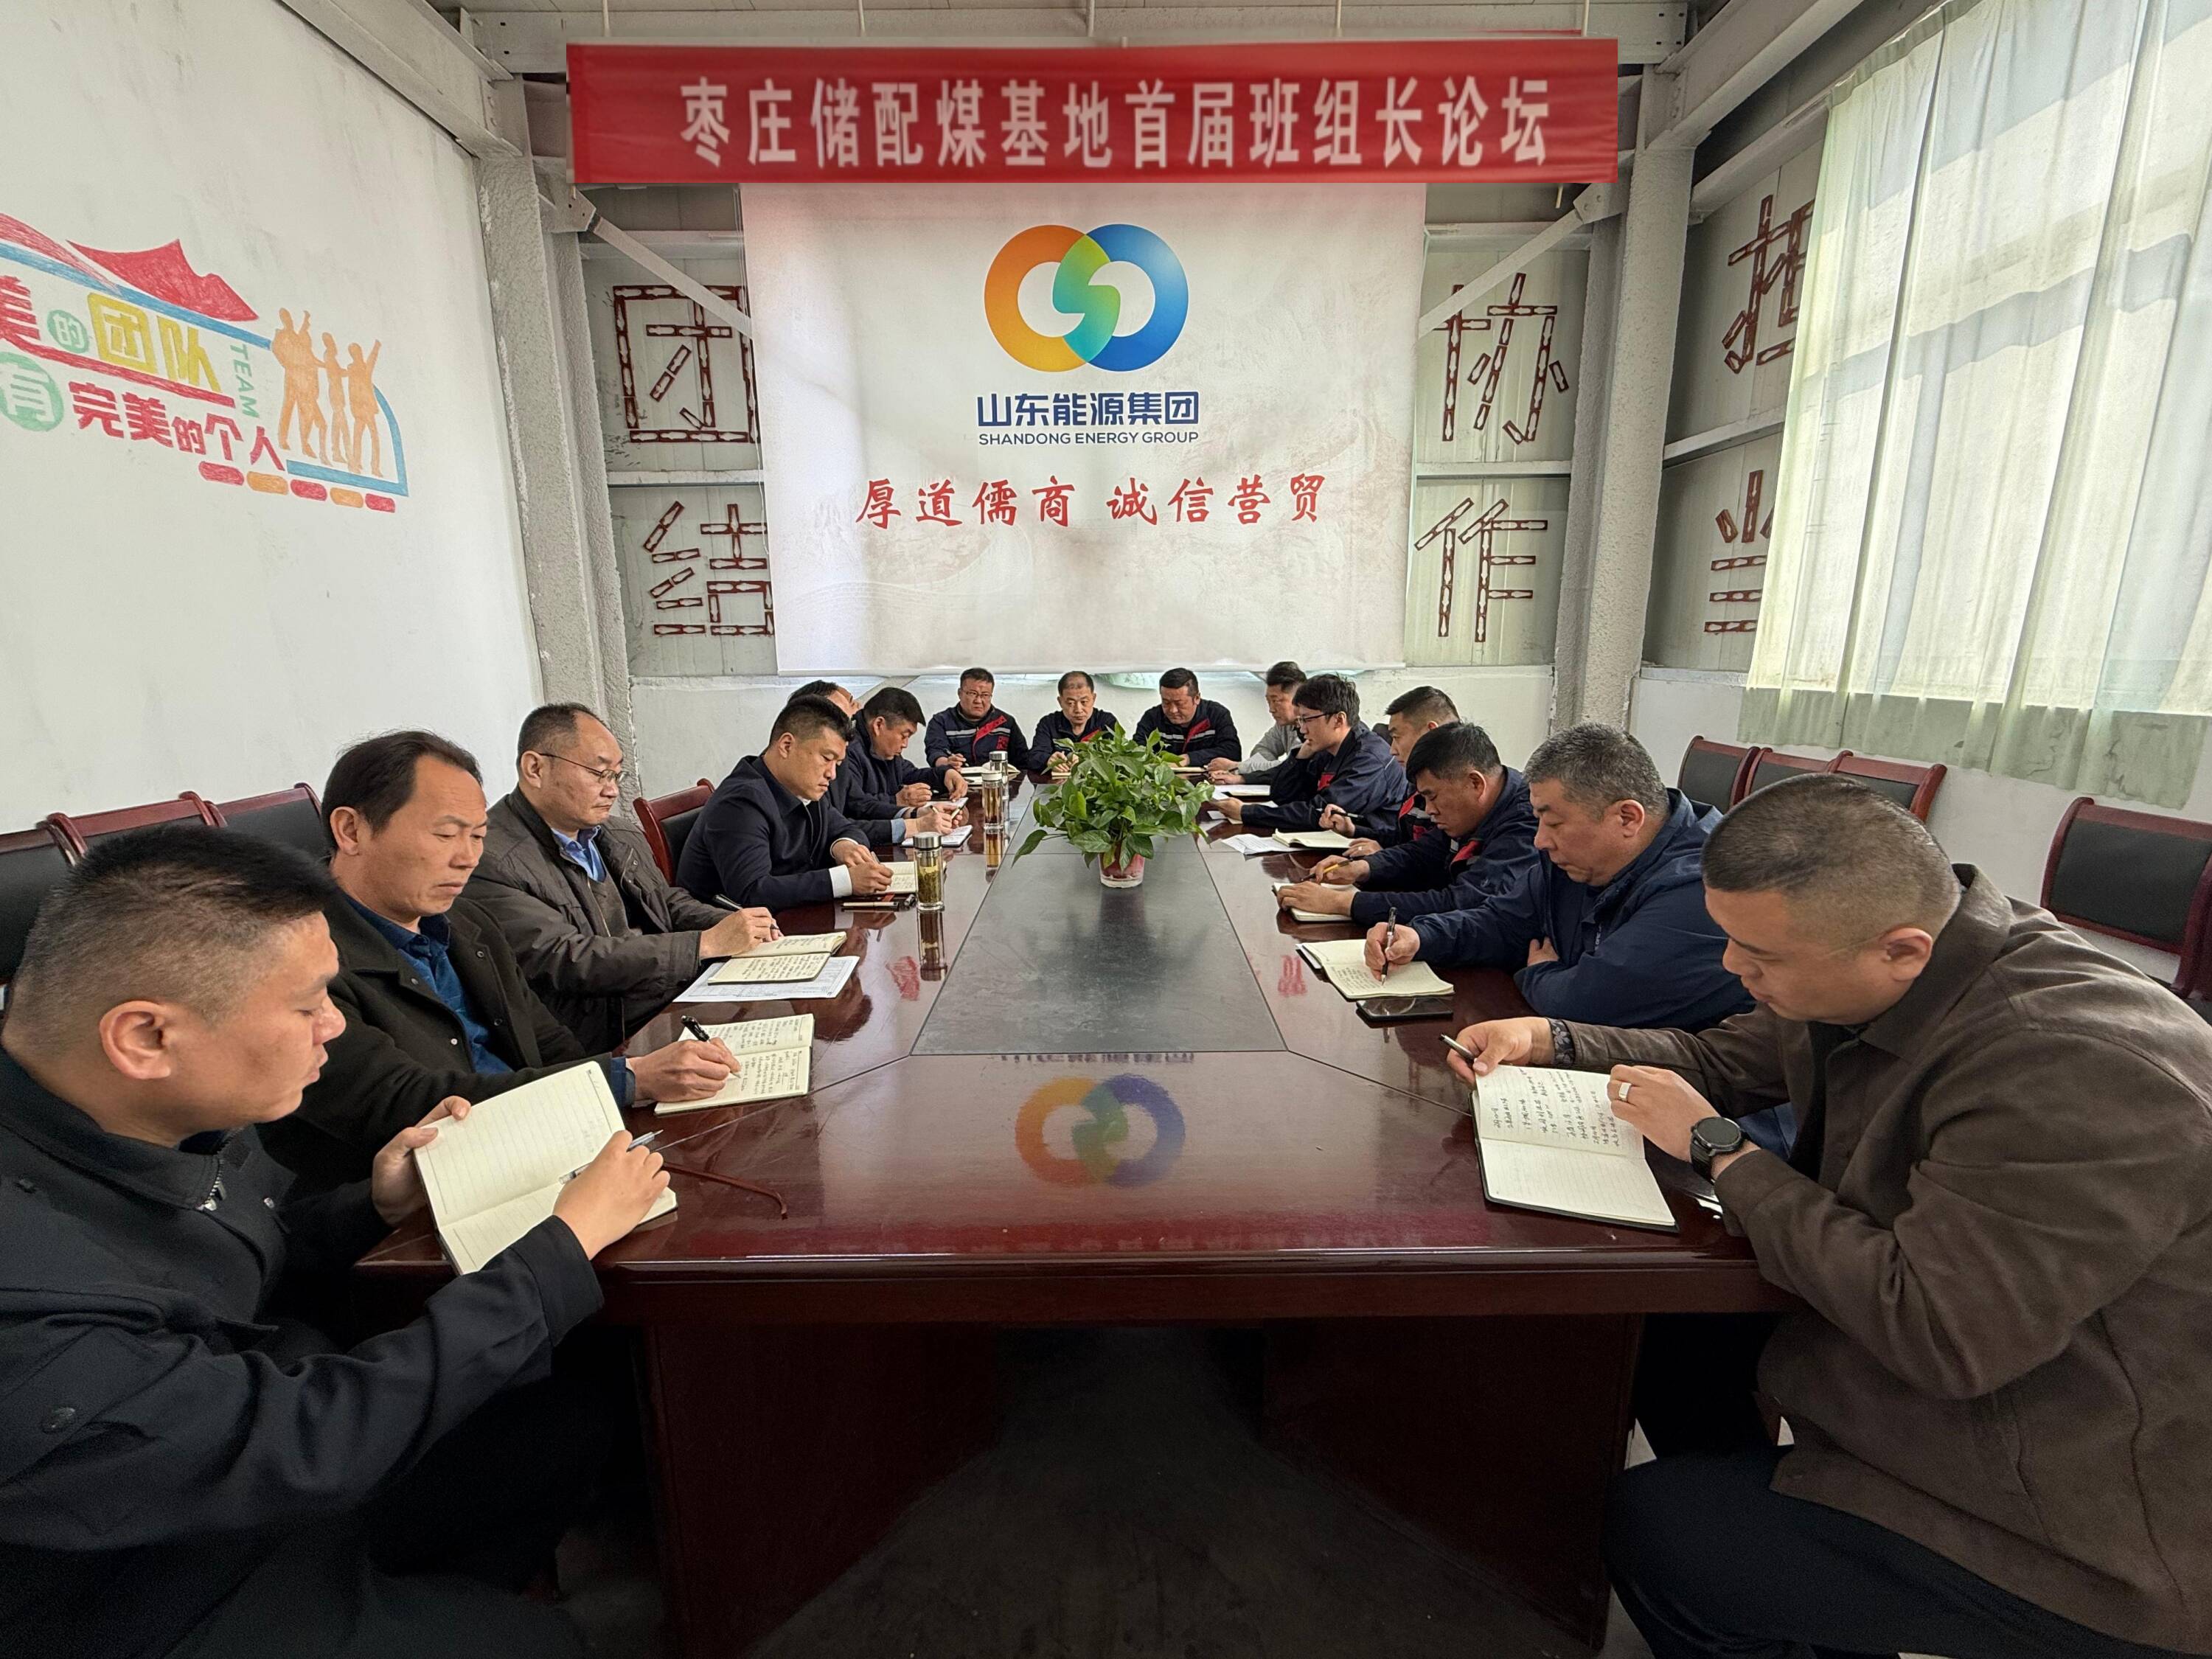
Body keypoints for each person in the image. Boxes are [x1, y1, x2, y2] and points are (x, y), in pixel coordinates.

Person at [1444, 776, 2212, 1659]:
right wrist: (1553, 1039)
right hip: (1955, 1385)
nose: (1733, 971)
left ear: (1902, 950)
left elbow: (1940, 1332)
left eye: (1759, 957)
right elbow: (1720, 1059)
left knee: (1665, 1532)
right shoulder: (1898, 961)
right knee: (1667, 1337)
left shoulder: (2076, 1068)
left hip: (2086, 1512)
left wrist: (1723, 1153)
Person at [0, 827, 670, 1659]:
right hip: (156, 1583)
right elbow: (296, 1439)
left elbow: (235, 1258)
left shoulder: (127, 1108)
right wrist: (561, 1246)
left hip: (258, 1460)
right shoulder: (27, 1296)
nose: (332, 1027)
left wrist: (375, 1207)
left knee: (563, 1425)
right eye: (308, 1004)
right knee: (546, 1645)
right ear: (146, 1038)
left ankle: (437, 1599)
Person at [265, 731, 733, 1189]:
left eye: (478, 836)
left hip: (545, 1141)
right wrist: (626, 1080)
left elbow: (548, 1042)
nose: (467, 858)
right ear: (352, 831)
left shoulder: (468, 923)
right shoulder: (301, 962)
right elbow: (408, 1102)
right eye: (446, 834)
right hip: (430, 1194)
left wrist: (619, 1108)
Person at [1364, 723, 1750, 1031]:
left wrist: (1539, 973)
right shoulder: (1572, 860)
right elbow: (1502, 922)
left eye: (1554, 822)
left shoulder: (1706, 886)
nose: (1540, 841)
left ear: (1627, 818)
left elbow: (1588, 1003)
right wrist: (1421, 936)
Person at [462, 703, 779, 1054]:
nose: (612, 791)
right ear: (535, 768)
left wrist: (733, 924)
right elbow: (568, 958)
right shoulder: (490, 859)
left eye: (616, 776)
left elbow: (666, 902)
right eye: (599, 773)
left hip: (665, 996)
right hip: (600, 1037)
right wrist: (703, 945)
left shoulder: (616, 831)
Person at [1277, 723, 1537, 925]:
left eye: (1432, 797)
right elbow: (1422, 853)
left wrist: (1344, 903)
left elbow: (1461, 903)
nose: (1429, 810)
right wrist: (1362, 868)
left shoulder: (1527, 824)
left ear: (1475, 784)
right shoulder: (1467, 812)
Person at [678, 695, 895, 910]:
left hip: (791, 917)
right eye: (826, 759)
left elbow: (847, 828)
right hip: (725, 925)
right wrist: (845, 881)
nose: (832, 774)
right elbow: (753, 892)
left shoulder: (803, 788)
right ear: (787, 745)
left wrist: (843, 846)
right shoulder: (740, 802)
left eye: (837, 764)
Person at [1216, 674, 1405, 837]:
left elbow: (1319, 812)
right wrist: (1300, 758)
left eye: (1307, 719)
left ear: (1338, 720)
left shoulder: (1369, 759)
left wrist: (1247, 812)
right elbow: (1283, 796)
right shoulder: (1326, 748)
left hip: (1372, 847)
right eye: (1300, 720)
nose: (1302, 729)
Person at [1319, 685, 1459, 848]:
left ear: (1429, 733)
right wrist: (1353, 830)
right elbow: (1403, 839)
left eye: (1397, 737)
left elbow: (1429, 856)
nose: (1392, 750)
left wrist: (1381, 858)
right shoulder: (1415, 780)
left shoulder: (1457, 787)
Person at [845, 686, 969, 819]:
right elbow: (854, 805)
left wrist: (944, 775)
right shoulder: (848, 750)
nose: (905, 745)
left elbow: (909, 775)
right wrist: (896, 801)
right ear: (879, 725)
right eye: (904, 736)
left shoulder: (883, 749)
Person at [1206, 661, 1304, 783]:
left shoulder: (1311, 728)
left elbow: (1293, 768)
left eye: (1276, 701)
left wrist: (1237, 766)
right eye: (1268, 702)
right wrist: (1271, 768)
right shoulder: (1284, 725)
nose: (1271, 709)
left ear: (1298, 699)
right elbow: (1261, 750)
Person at [925, 668, 1031, 775]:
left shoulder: (1006, 723)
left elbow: (1023, 760)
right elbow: (935, 752)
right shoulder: (941, 721)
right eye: (972, 693)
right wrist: (947, 762)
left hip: (999, 782)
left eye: (985, 695)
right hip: (955, 780)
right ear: (960, 693)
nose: (978, 701)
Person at [1132, 667, 1242, 767]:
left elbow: (1233, 752)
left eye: (1179, 703)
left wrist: (1188, 759)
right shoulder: (1152, 718)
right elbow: (1136, 752)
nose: (1173, 710)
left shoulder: (1217, 714)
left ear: (1197, 698)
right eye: (1166, 702)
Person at [1029, 670, 1121, 776]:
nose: (1078, 709)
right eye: (1071, 703)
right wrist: (1048, 760)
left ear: (1093, 699)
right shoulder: (1049, 723)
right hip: (1058, 784)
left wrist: (1085, 760)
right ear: (1060, 701)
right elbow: (1033, 757)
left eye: (1084, 702)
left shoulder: (1106, 722)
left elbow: (1118, 757)